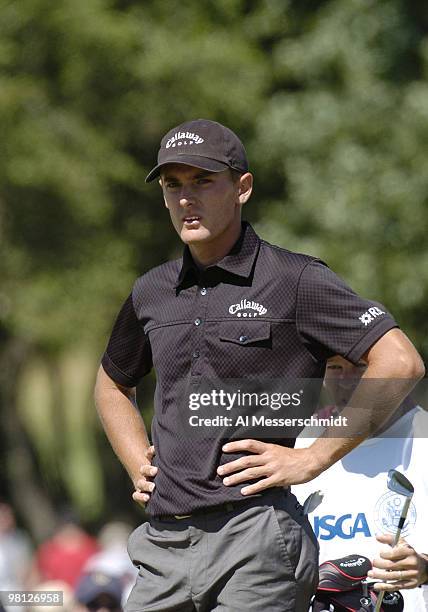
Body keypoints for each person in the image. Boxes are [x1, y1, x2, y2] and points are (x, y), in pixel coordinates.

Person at [94, 118, 425, 611]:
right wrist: (136, 459)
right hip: (161, 544)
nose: (186, 198)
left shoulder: (295, 279)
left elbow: (399, 360)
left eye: (203, 181)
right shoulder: (151, 291)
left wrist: (310, 459)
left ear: (242, 188)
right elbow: (112, 383)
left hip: (256, 536)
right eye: (173, 185)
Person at [294, 355, 428, 610]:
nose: (346, 379)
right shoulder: (299, 443)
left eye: (362, 367)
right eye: (334, 367)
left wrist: (424, 568)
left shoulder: (421, 433)